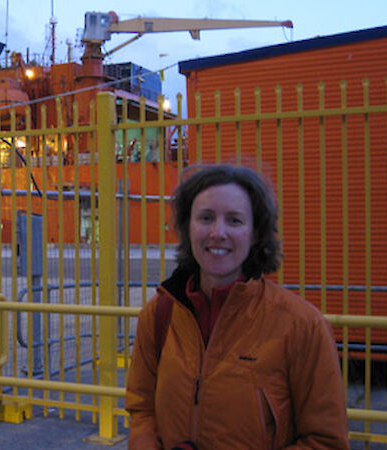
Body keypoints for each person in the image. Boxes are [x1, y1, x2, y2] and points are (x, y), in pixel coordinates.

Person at [125, 164, 349, 449]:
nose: (218, 233)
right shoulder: (159, 314)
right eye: (206, 218)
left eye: (234, 220)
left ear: (255, 233)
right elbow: (143, 409)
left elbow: (326, 440)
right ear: (186, 227)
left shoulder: (302, 326)